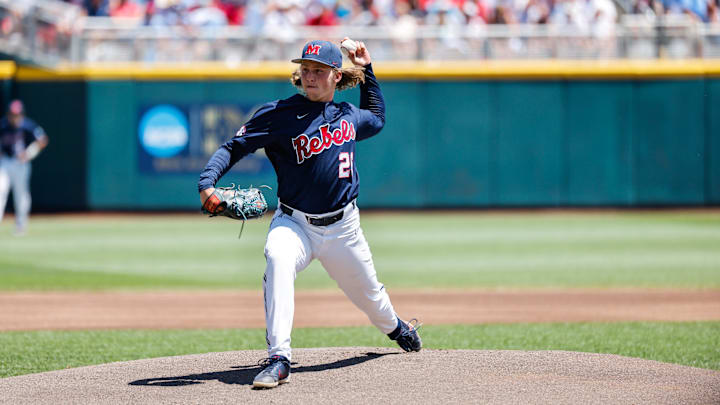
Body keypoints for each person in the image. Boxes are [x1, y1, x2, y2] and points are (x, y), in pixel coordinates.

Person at [197, 38, 422, 389]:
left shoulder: (347, 115)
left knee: (371, 297)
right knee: (277, 258)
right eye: (305, 69)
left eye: (318, 70)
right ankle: (279, 358)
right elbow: (233, 147)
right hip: (295, 222)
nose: (310, 76)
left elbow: (376, 119)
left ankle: (396, 327)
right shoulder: (279, 114)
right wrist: (207, 182)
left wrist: (368, 69)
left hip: (344, 229)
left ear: (336, 76)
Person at [0, 100, 49, 235]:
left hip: (21, 164)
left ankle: (21, 225)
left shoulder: (28, 125)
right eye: (12, 114)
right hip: (5, 162)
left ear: (22, 114)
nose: (14, 117)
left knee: (21, 194)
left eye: (17, 114)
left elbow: (43, 140)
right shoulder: (3, 125)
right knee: (0, 190)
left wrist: (28, 154)